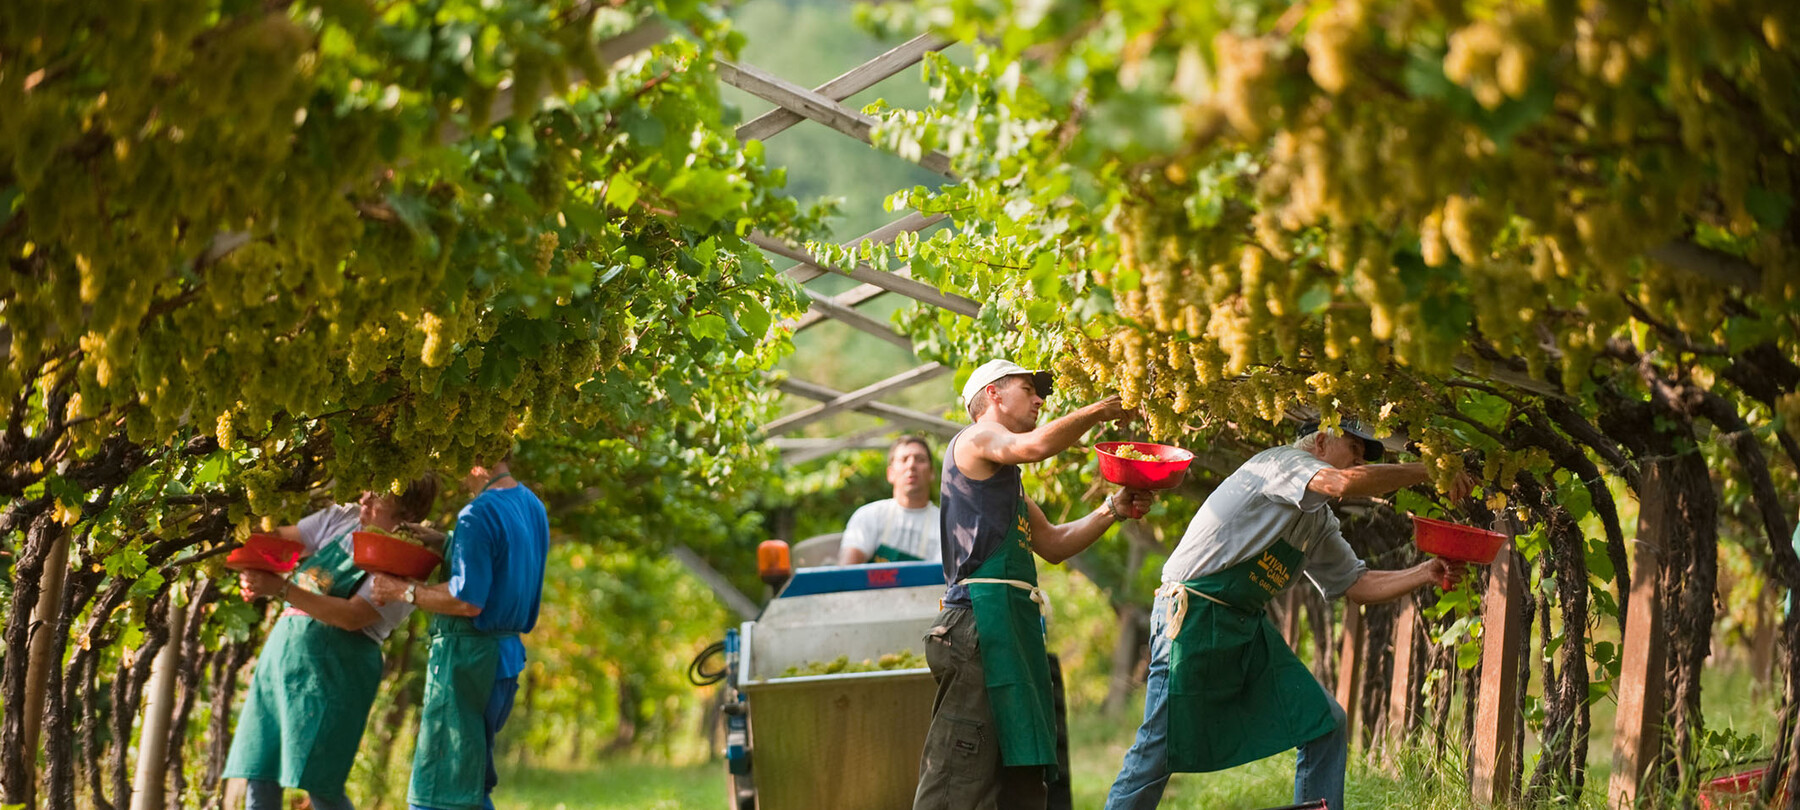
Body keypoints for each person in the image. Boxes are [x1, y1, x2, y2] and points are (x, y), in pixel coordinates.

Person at [1104, 419, 1477, 810]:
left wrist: (1424, 572)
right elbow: (1342, 483)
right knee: (1160, 747)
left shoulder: (1316, 521)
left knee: (1325, 724)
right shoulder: (1281, 463)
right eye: (1353, 450)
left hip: (1243, 624)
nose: (1358, 461)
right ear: (1319, 442)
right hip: (1192, 615)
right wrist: (1429, 470)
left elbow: (1356, 585)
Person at [913, 359, 1154, 810]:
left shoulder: (1006, 488)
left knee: (1023, 780)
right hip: (976, 628)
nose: (1040, 399)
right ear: (994, 395)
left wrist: (1113, 508)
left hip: (1010, 633)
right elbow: (1035, 446)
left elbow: (1056, 544)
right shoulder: (976, 439)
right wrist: (1098, 412)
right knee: (956, 781)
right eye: (1030, 389)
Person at [223, 478, 441, 810]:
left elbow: (353, 617)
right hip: (284, 656)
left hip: (336, 671)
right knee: (259, 771)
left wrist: (280, 589)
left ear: (406, 511)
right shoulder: (344, 517)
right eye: (366, 490)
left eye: (377, 498)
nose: (364, 499)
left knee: (320, 784)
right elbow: (279, 540)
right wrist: (250, 558)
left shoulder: (408, 558)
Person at [369, 452, 549, 810]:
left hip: (468, 664)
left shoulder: (477, 514)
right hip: (504, 660)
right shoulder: (531, 505)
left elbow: (467, 600)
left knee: (439, 794)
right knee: (469, 785)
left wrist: (401, 591)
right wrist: (444, 540)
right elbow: (500, 558)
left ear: (475, 456)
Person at [838, 435, 942, 565]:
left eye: (920, 459)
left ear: (932, 473)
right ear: (890, 473)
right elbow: (847, 574)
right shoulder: (868, 516)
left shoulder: (945, 526)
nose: (911, 465)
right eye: (904, 460)